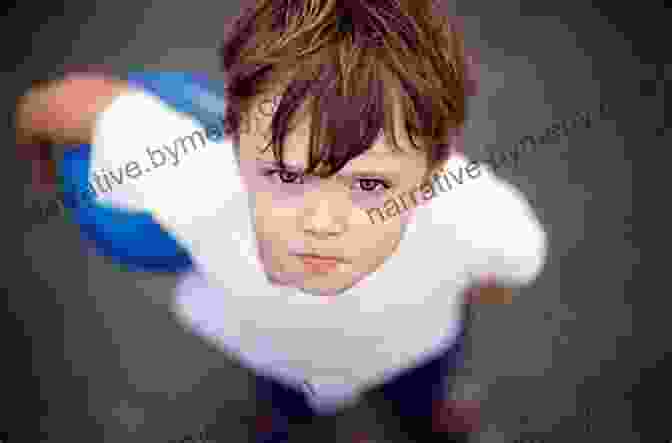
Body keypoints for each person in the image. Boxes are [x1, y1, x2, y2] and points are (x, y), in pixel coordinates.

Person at [14, 0, 548, 441]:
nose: (318, 222)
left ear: (432, 175)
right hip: (275, 357)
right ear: (234, 133)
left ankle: (426, 417)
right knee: (285, 400)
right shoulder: (188, 171)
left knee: (423, 391)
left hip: (415, 351)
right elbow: (59, 105)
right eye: (286, 175)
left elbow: (504, 275)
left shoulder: (480, 215)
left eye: (369, 185)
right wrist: (43, 162)